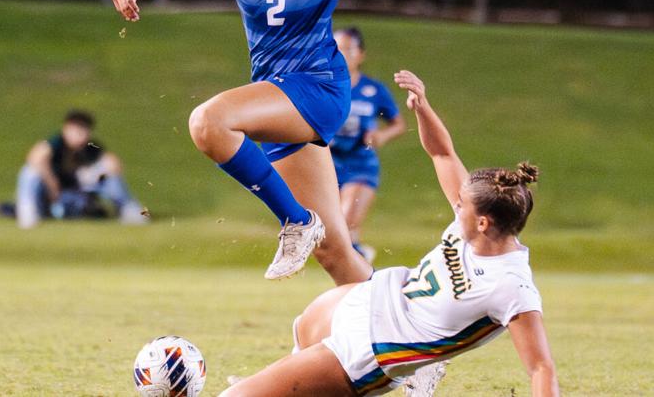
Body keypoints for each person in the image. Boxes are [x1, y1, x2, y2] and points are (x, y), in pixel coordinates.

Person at [111, 0, 439, 282]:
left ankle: (296, 222)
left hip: (320, 89)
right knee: (335, 253)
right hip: (278, 98)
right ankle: (408, 336)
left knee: (209, 122)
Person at [220, 71, 559, 397]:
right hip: (365, 298)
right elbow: (443, 153)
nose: (457, 202)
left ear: (484, 223)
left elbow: (541, 368)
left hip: (371, 349)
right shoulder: (474, 218)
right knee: (299, 343)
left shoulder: (511, 286)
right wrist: (423, 107)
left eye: (463, 203)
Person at [330, 26, 407, 264]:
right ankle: (360, 257)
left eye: (347, 49)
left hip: (360, 164)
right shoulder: (324, 88)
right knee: (334, 234)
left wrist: (380, 137)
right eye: (335, 49)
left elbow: (398, 124)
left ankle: (361, 271)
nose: (341, 55)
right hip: (327, 165)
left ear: (360, 54)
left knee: (344, 223)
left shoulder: (372, 90)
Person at [12, 109, 148, 228]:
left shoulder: (91, 147)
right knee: (29, 172)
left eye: (84, 130)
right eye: (76, 130)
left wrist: (96, 173)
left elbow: (114, 164)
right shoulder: (56, 143)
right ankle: (27, 212)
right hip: (50, 193)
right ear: (66, 129)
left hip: (76, 193)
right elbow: (35, 157)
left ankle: (129, 209)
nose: (81, 135)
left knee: (111, 177)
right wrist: (51, 183)